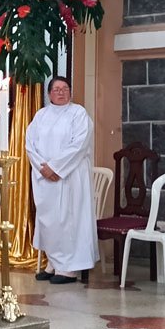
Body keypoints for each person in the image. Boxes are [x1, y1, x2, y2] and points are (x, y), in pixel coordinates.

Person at [26, 76, 98, 285]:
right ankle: (53, 263)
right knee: (50, 221)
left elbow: (79, 144)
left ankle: (69, 269)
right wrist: (44, 168)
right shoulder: (41, 115)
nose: (61, 92)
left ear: (70, 92)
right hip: (45, 178)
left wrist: (56, 167)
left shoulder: (78, 113)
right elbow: (30, 144)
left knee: (68, 220)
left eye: (65, 88)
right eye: (56, 89)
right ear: (49, 94)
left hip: (70, 176)